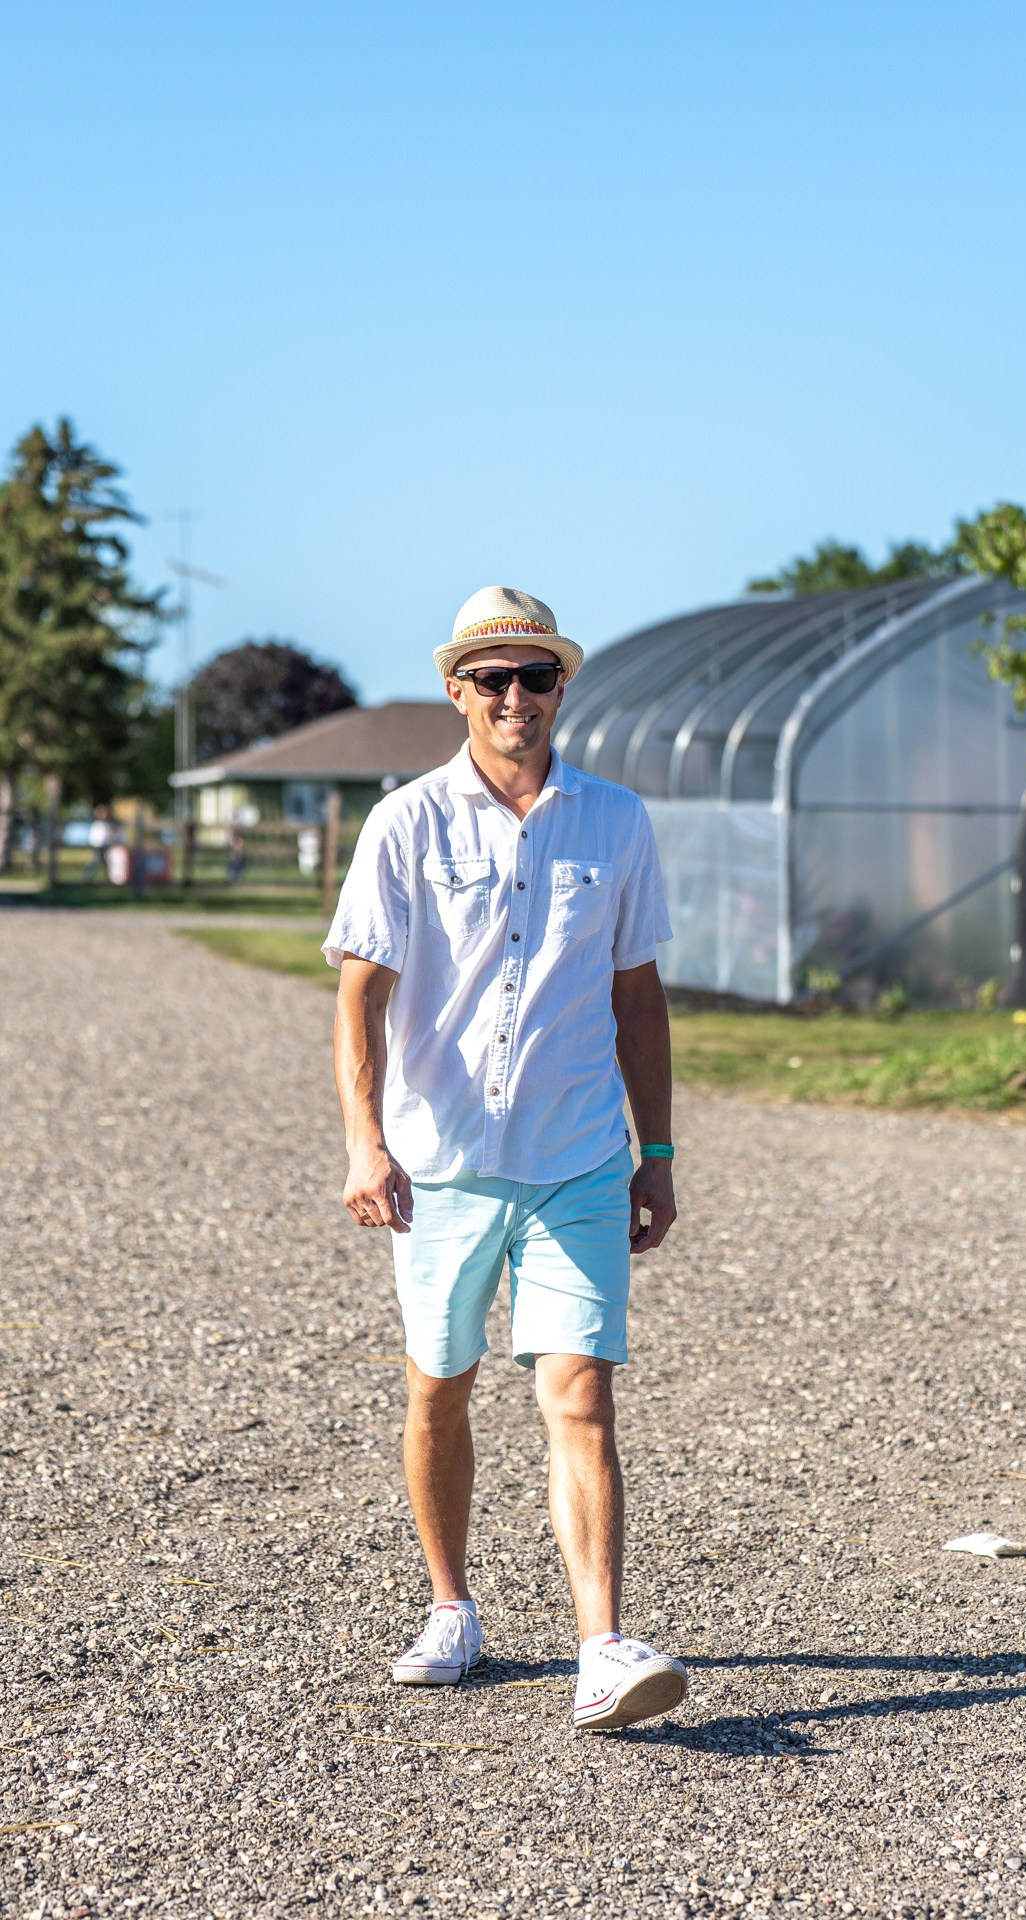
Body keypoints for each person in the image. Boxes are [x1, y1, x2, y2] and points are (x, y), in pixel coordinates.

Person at [325, 585, 686, 1732]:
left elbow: (638, 999)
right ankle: (451, 1610)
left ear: (560, 687)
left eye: (534, 676)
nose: (514, 697)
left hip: (578, 1158)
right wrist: (364, 1144)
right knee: (439, 1386)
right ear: (456, 691)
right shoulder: (405, 824)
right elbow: (357, 998)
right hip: (441, 1167)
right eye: (491, 678)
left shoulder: (616, 821)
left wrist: (657, 1151)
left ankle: (601, 1648)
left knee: (577, 1395)